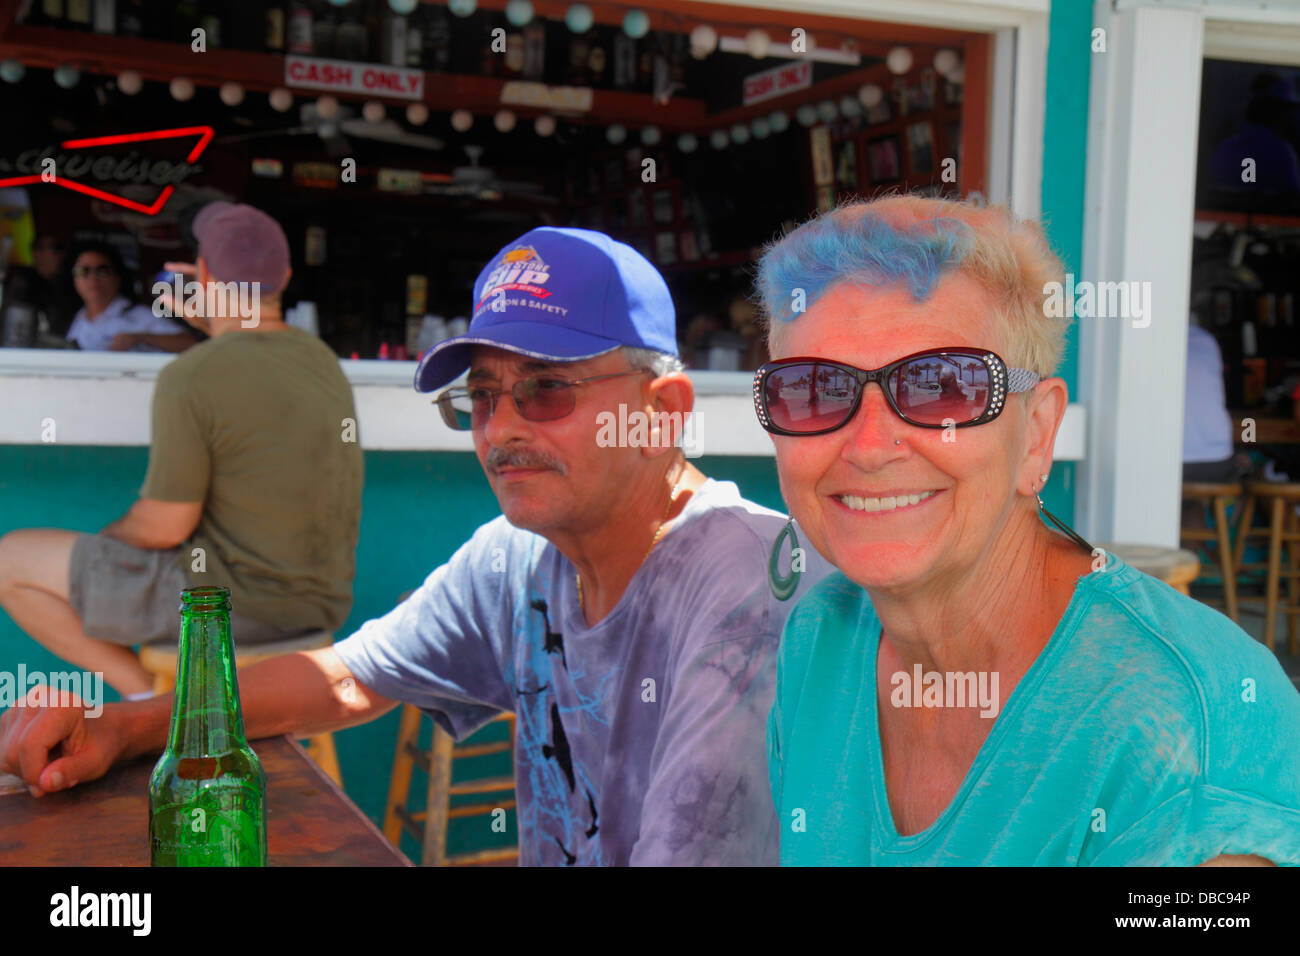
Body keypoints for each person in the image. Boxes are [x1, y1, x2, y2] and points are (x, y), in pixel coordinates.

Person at [0, 226, 829, 866]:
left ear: (663, 409)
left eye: (545, 389)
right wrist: (134, 727)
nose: (500, 429)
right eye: (483, 395)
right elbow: (347, 678)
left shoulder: (745, 587)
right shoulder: (516, 560)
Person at [753, 196, 1300, 866]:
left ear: (1037, 435)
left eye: (942, 387)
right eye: (813, 389)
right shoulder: (819, 641)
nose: (868, 446)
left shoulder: (1178, 736)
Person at [0, 203, 364, 697]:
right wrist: (216, 317)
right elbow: (249, 343)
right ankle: (157, 704)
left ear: (205, 274)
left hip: (228, 607)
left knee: (10, 561)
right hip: (317, 607)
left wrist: (110, 542)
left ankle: (149, 703)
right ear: (285, 276)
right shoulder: (323, 361)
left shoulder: (191, 375)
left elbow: (163, 525)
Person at [62, 239, 195, 353]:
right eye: (83, 271)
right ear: (73, 278)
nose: (92, 277)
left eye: (102, 270)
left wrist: (139, 338)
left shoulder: (139, 315)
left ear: (117, 277)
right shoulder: (77, 319)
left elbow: (190, 345)